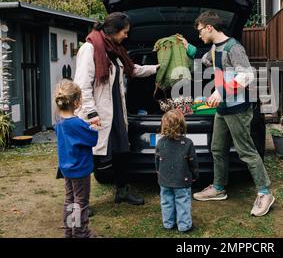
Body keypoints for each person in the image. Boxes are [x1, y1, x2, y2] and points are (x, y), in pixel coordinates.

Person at [180, 11, 275, 217]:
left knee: (246, 152)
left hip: (238, 108)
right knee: (217, 148)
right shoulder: (215, 49)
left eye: (199, 31)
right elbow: (202, 58)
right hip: (223, 108)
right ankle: (218, 187)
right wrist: (186, 46)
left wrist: (220, 91)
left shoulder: (234, 48)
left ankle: (265, 192)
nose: (199, 35)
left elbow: (247, 75)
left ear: (209, 27)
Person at [74, 12, 159, 205]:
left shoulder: (115, 51)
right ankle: (81, 202)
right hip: (96, 113)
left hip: (115, 112)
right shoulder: (90, 49)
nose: (127, 36)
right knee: (91, 158)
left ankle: (122, 191)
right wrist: (91, 113)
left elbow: (133, 70)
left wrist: (157, 68)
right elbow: (82, 85)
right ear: (113, 31)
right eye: (125, 32)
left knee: (122, 152)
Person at [54, 79, 99, 238]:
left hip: (66, 168)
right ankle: (81, 233)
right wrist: (93, 128)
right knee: (81, 202)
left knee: (69, 199)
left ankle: (69, 231)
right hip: (80, 169)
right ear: (77, 102)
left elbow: (75, 135)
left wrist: (86, 126)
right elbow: (91, 139)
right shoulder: (77, 124)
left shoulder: (59, 121)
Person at [155, 109, 199, 232]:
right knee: (182, 202)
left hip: (164, 179)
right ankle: (184, 226)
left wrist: (159, 173)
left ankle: (168, 224)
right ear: (182, 125)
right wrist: (195, 175)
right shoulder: (188, 143)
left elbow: (157, 161)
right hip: (182, 179)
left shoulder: (160, 142)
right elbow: (193, 162)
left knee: (166, 201)